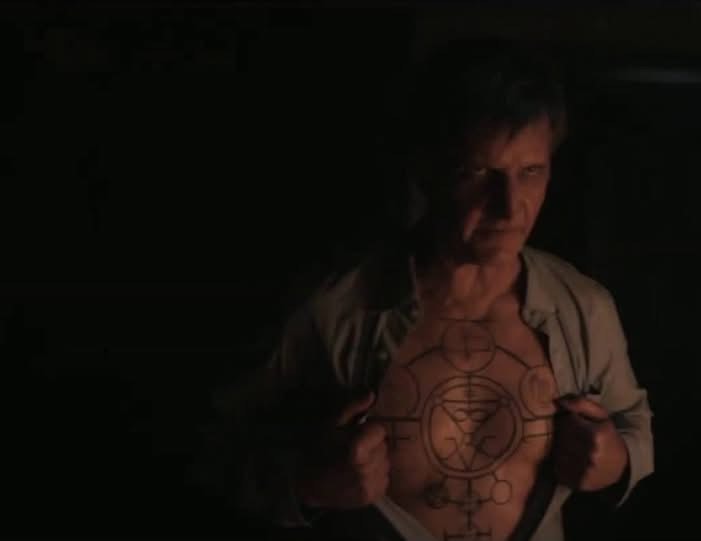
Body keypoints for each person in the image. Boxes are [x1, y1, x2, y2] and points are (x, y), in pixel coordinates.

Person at [197, 39, 654, 541]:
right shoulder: (333, 312)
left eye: (530, 173)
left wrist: (616, 460)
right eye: (478, 173)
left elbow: (633, 422)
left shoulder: (583, 309)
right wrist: (309, 483)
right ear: (426, 169)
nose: (509, 207)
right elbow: (218, 451)